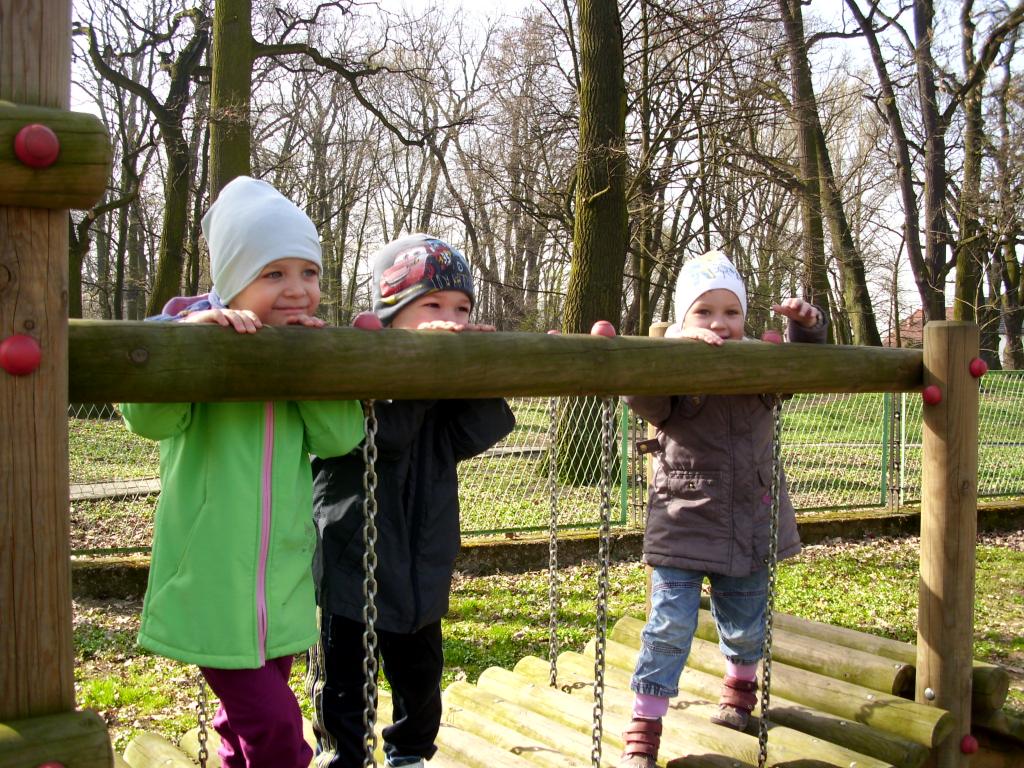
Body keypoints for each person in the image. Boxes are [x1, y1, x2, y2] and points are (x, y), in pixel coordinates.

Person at [120, 176, 365, 768]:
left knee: (246, 727)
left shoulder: (298, 350)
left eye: (307, 273)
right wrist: (185, 350)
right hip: (211, 581)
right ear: (232, 281)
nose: (297, 290)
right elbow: (148, 419)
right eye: (273, 274)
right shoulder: (201, 339)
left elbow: (340, 437)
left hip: (279, 580)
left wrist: (315, 369)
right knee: (279, 731)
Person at [306, 233, 516, 768]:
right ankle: (342, 755)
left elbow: (479, 431)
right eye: (434, 306)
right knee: (346, 679)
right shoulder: (357, 370)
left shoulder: (442, 388)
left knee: (420, 678)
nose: (452, 318)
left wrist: (476, 371)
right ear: (392, 314)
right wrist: (427, 372)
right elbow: (384, 438)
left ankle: (411, 755)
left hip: (422, 568)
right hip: (353, 562)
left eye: (462, 309)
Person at [618, 251, 828, 768]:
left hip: (750, 520)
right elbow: (637, 391)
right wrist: (671, 351)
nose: (719, 323)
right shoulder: (675, 370)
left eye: (731, 312)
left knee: (746, 622)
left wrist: (807, 329)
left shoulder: (759, 366)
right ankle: (645, 726)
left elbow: (802, 370)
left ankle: (739, 690)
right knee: (668, 627)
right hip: (682, 522)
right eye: (704, 312)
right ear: (684, 319)